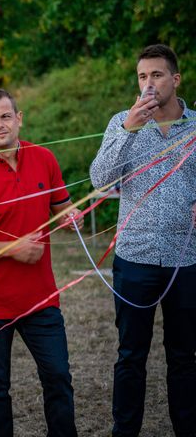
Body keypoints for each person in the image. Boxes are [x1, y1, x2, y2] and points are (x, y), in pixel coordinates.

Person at [0, 88, 82, 437]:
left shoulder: (44, 158)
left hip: (42, 298)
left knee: (58, 378)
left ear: (19, 118)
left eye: (6, 116)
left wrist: (72, 215)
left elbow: (60, 205)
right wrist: (12, 249)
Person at [90, 44, 196, 437]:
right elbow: (100, 180)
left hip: (186, 259)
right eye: (142, 77)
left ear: (175, 79)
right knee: (131, 355)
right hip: (134, 257)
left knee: (184, 356)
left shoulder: (195, 127)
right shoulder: (123, 121)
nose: (148, 84)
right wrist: (127, 130)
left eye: (156, 75)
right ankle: (125, 431)